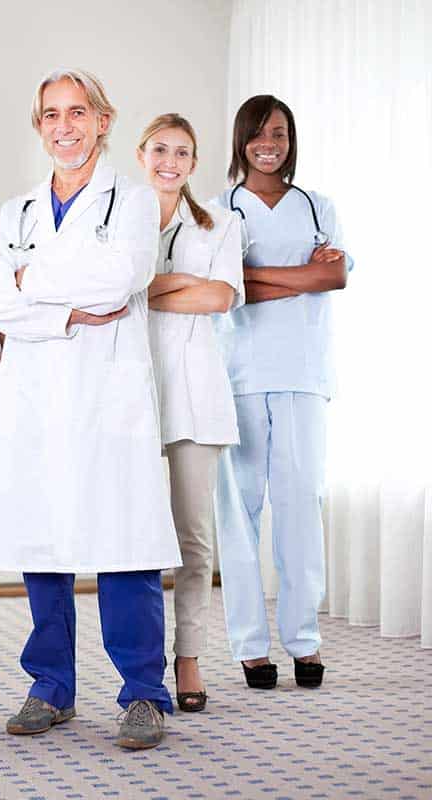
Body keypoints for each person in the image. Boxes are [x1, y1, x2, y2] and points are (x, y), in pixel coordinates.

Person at [0, 68, 181, 750]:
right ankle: (51, 687)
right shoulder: (18, 212)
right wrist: (63, 310)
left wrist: (29, 281)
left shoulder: (133, 199)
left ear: (102, 119)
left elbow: (121, 279)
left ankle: (144, 693)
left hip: (107, 393)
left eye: (77, 112)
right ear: (39, 126)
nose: (64, 126)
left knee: (125, 542)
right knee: (44, 538)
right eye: (51, 115)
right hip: (37, 394)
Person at [214, 94, 352, 690]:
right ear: (241, 139)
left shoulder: (317, 206)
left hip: (302, 377)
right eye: (259, 133)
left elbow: (336, 275)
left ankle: (304, 641)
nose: (269, 143)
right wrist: (301, 277)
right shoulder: (219, 211)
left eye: (280, 132)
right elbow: (222, 289)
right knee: (238, 517)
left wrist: (256, 275)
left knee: (300, 510)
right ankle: (250, 646)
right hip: (238, 378)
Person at [137, 114, 243, 712]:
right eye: (159, 150)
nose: (169, 162)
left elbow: (222, 296)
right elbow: (112, 290)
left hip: (198, 400)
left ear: (195, 162)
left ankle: (189, 655)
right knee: (138, 536)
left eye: (181, 153)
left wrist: (153, 285)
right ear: (140, 153)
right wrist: (180, 281)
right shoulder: (120, 220)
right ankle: (142, 664)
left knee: (195, 540)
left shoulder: (220, 225)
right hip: (133, 397)